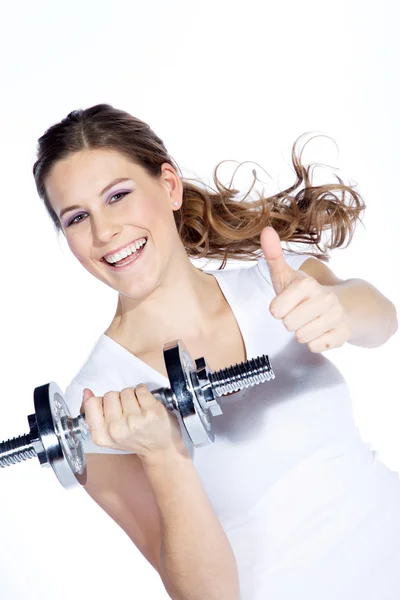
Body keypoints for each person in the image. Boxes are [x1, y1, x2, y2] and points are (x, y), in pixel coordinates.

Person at [33, 104, 399, 600]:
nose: (104, 233)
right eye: (77, 218)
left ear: (168, 186)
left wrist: (339, 309)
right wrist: (165, 457)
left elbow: (383, 321)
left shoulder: (276, 283)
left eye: (118, 196)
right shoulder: (92, 409)